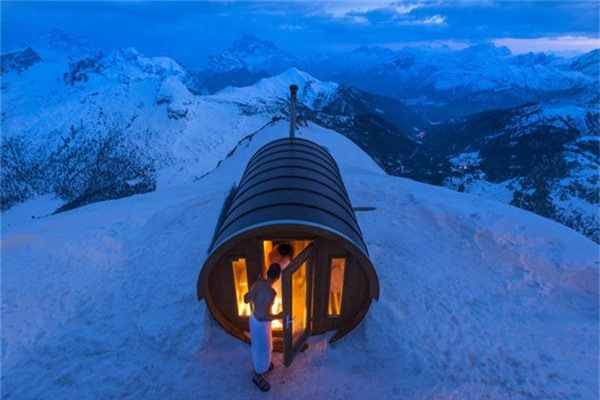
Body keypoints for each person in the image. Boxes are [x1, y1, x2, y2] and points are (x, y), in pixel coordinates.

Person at [243, 263, 283, 392]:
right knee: (262, 350)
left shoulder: (258, 283)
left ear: (267, 272)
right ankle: (258, 375)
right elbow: (264, 315)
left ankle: (264, 366)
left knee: (263, 346)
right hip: (261, 324)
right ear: (278, 277)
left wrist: (255, 285)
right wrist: (278, 316)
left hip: (253, 320)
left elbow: (246, 299)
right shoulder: (271, 293)